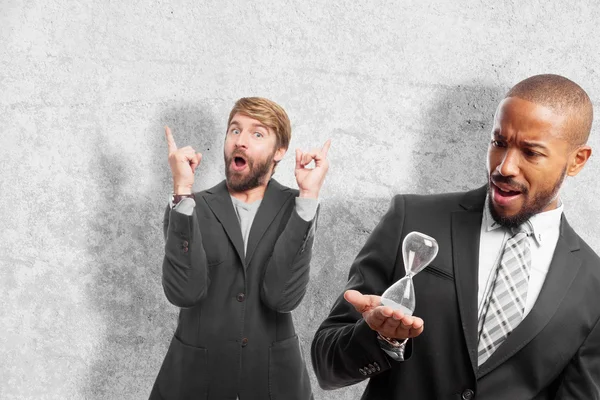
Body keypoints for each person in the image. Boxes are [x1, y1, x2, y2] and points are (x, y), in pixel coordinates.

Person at [311, 74, 600, 399]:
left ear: (577, 160)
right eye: (499, 143)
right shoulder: (412, 219)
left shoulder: (593, 286)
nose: (505, 167)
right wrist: (380, 337)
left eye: (531, 153)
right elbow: (326, 365)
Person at [150, 97, 330, 400]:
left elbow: (282, 297)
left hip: (275, 383)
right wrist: (182, 191)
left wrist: (309, 196)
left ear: (279, 152)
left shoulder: (297, 207)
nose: (241, 141)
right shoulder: (192, 207)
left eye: (257, 134)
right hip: (194, 381)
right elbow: (184, 293)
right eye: (235, 131)